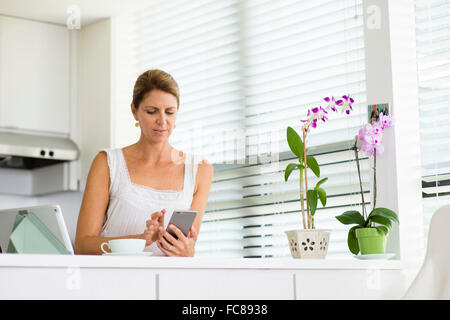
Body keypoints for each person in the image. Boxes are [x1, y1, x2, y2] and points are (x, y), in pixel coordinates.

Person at [74, 69, 214, 256]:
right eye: (151, 111)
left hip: (169, 282)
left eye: (170, 112)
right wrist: (140, 240)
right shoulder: (107, 163)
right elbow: (83, 245)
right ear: (134, 111)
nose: (162, 121)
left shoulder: (199, 170)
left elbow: (188, 247)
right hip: (113, 281)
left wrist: (187, 252)